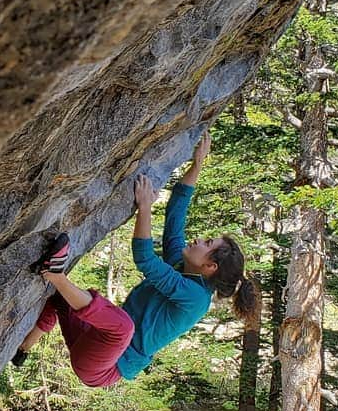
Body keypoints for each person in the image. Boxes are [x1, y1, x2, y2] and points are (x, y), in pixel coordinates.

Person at [14, 132, 257, 387]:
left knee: (123, 326)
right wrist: (196, 165)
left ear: (210, 266)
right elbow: (175, 215)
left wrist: (145, 208)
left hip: (105, 367)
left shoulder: (196, 299)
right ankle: (23, 349)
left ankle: (53, 273)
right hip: (91, 342)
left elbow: (145, 260)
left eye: (207, 244)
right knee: (62, 299)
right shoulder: (182, 266)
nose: (198, 240)